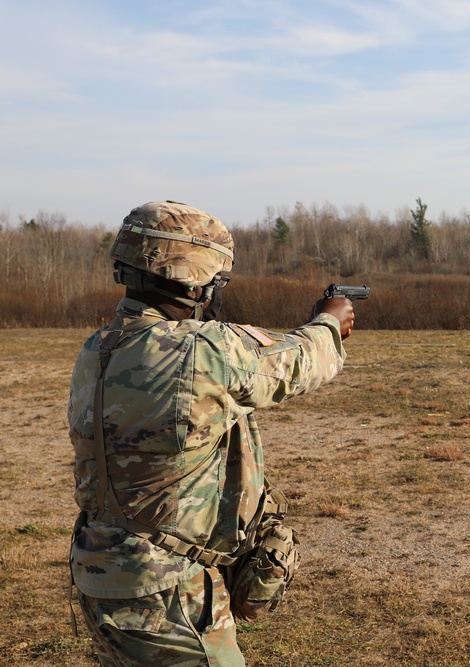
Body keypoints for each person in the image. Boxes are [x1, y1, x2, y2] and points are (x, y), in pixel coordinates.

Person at [68, 201, 355, 666]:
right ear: (194, 279)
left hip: (99, 568)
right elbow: (299, 362)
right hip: (167, 590)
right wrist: (329, 322)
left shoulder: (97, 347)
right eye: (216, 281)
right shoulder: (205, 349)